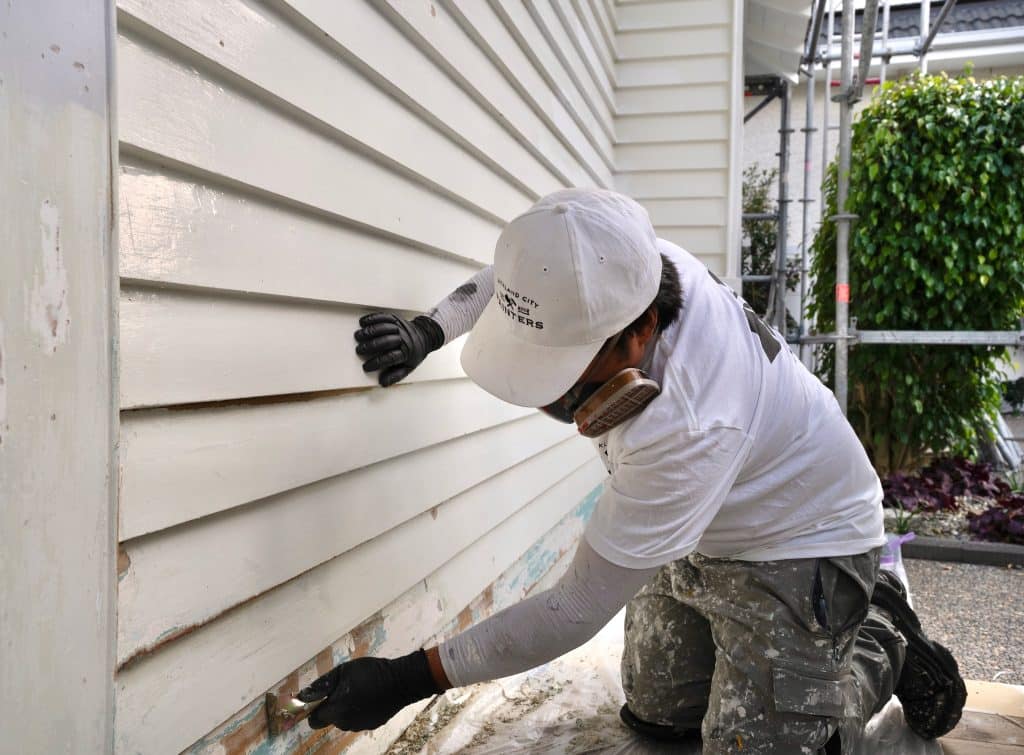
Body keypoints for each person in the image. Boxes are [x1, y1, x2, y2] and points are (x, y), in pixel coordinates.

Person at [297, 189, 966, 753]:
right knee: (656, 717)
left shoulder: (689, 422)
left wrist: (408, 677)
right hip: (710, 524)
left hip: (807, 544)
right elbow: (515, 282)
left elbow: (575, 607)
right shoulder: (621, 268)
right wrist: (429, 330)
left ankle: (884, 633)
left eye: (566, 379)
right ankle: (765, 646)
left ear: (640, 331)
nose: (556, 400)